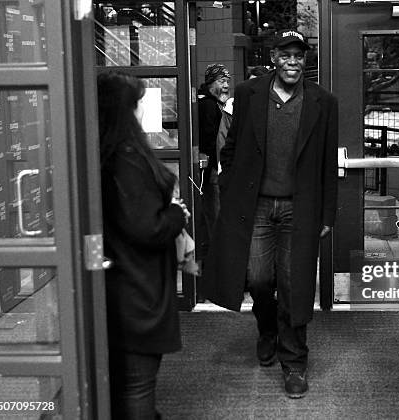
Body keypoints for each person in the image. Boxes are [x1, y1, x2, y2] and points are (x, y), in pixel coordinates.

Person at [201, 29, 338, 398]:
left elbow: (327, 161)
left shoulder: (323, 101)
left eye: (299, 56)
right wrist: (229, 192)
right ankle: (267, 330)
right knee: (258, 279)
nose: (293, 62)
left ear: (304, 60)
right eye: (287, 55)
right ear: (274, 58)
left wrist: (327, 214)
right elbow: (228, 150)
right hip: (256, 206)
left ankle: (294, 362)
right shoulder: (248, 94)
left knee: (294, 285)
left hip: (300, 208)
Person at [97, 71, 190, 420]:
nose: (140, 111)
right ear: (124, 109)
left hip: (117, 280)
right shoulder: (126, 158)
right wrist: (176, 216)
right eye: (136, 104)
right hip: (136, 288)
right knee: (137, 384)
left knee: (124, 383)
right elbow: (147, 227)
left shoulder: (104, 152)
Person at [197, 64, 231, 263]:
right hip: (212, 172)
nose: (226, 85)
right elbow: (210, 140)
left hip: (215, 171)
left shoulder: (216, 104)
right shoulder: (208, 106)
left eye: (227, 81)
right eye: (221, 81)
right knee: (216, 219)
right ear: (210, 84)